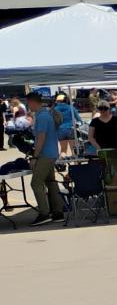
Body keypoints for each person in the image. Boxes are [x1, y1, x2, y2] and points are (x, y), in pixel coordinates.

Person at [24, 94, 64, 223]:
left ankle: (44, 213)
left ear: (32, 102)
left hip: (45, 155)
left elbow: (41, 138)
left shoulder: (42, 117)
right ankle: (58, 212)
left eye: (28, 103)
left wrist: (35, 157)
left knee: (36, 183)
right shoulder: (46, 114)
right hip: (51, 153)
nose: (28, 106)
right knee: (50, 182)